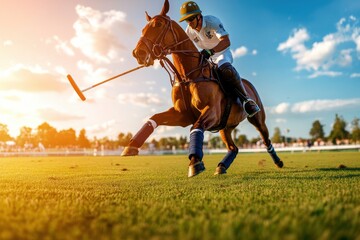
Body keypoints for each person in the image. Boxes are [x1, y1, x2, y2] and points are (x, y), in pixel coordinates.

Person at [179, 1, 260, 117]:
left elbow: (226, 41)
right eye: (186, 20)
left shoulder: (212, 21)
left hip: (222, 52)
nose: (189, 23)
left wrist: (211, 51)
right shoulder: (189, 31)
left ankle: (246, 100)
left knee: (224, 67)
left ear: (199, 16)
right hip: (206, 57)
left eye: (191, 19)